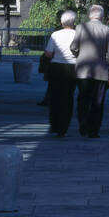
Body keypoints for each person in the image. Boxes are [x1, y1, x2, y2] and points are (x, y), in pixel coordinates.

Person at [70, 5, 109, 138]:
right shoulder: (107, 30)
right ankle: (94, 130)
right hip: (100, 71)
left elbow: (73, 47)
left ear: (90, 15)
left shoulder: (80, 27)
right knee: (98, 101)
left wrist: (79, 55)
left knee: (83, 98)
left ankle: (83, 125)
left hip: (83, 71)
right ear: (101, 16)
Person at [42, 10, 78, 138]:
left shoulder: (55, 35)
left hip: (56, 67)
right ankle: (63, 127)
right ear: (74, 22)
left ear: (61, 22)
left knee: (55, 97)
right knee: (68, 98)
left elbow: (48, 53)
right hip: (72, 68)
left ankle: (54, 124)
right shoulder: (78, 34)